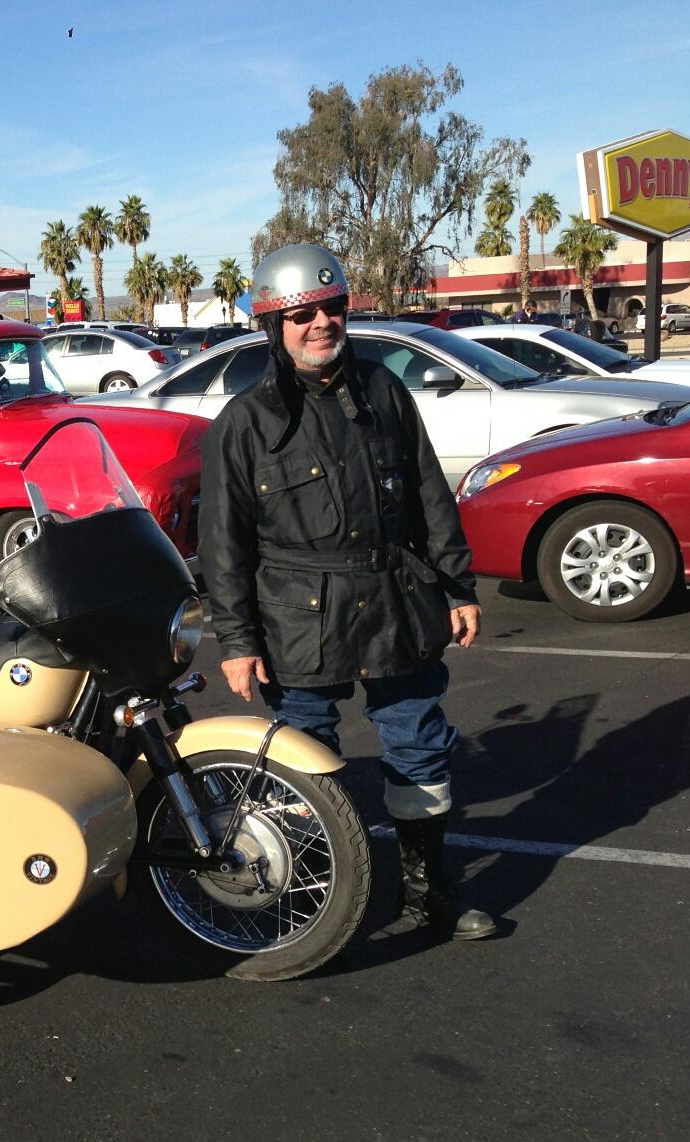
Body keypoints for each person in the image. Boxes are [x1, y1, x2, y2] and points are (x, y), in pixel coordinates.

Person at [199, 243, 495, 940]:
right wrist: (237, 641)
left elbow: (429, 494)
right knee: (302, 763)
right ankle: (309, 900)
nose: (321, 324)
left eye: (333, 309)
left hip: (396, 601)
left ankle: (428, 896)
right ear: (274, 323)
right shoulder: (243, 423)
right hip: (298, 617)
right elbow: (223, 546)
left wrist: (458, 585)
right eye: (302, 313)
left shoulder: (385, 392)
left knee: (420, 747)